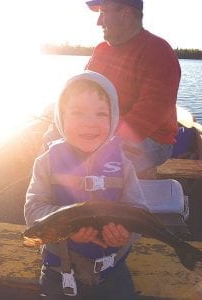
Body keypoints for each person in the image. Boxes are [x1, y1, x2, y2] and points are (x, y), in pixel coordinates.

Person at [24, 70, 146, 299]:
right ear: (61, 117)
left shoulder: (124, 165)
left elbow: (140, 213)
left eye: (101, 114)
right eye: (78, 113)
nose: (89, 123)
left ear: (113, 119)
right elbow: (33, 211)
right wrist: (68, 229)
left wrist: (125, 234)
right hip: (60, 271)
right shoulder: (46, 162)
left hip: (112, 270)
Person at [85, 0, 181, 174]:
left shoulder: (159, 53)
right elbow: (82, 90)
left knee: (94, 167)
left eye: (104, 13)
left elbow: (145, 119)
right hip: (101, 129)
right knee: (51, 141)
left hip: (150, 139)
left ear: (126, 14)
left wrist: (96, 137)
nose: (98, 22)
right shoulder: (101, 50)